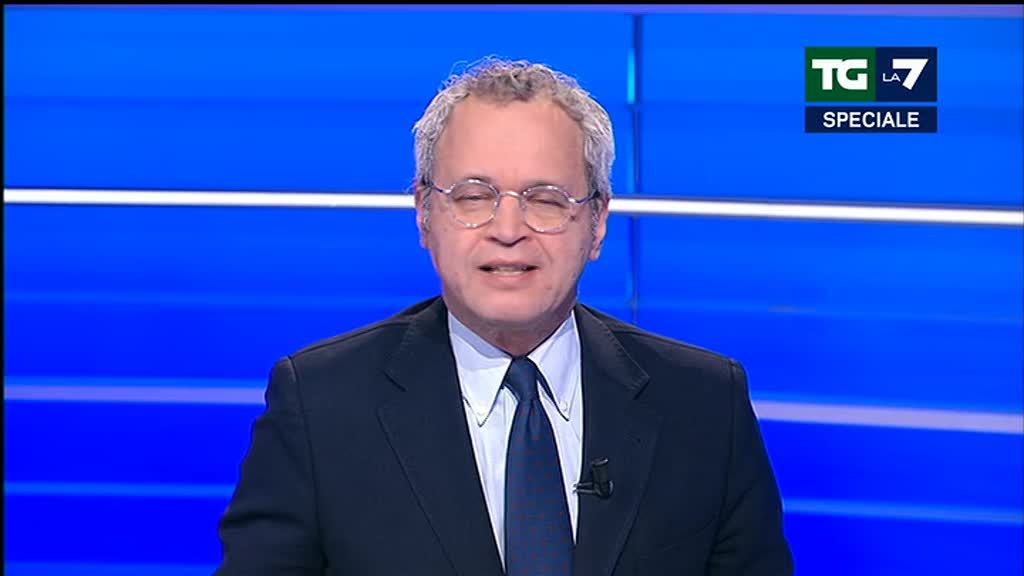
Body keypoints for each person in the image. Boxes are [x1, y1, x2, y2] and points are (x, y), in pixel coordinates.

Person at [216, 57, 793, 576]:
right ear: (424, 213)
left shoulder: (705, 404)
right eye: (474, 196)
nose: (509, 230)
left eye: (546, 199)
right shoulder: (321, 405)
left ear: (597, 223)